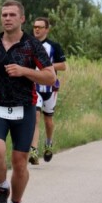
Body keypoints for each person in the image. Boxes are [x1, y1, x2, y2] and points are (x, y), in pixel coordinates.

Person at [0, 0, 56, 203]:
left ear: (22, 19)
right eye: (4, 14)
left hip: (25, 108)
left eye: (12, 15)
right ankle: (2, 187)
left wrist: (24, 71)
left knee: (19, 162)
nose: (7, 18)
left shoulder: (32, 45)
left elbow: (50, 76)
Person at [28, 17, 67, 165]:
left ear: (46, 29)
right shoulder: (28, 45)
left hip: (51, 87)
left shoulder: (54, 46)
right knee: (35, 117)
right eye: (34, 27)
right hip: (34, 86)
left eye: (40, 27)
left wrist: (46, 63)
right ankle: (33, 151)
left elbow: (63, 66)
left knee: (48, 120)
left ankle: (49, 144)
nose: (36, 29)